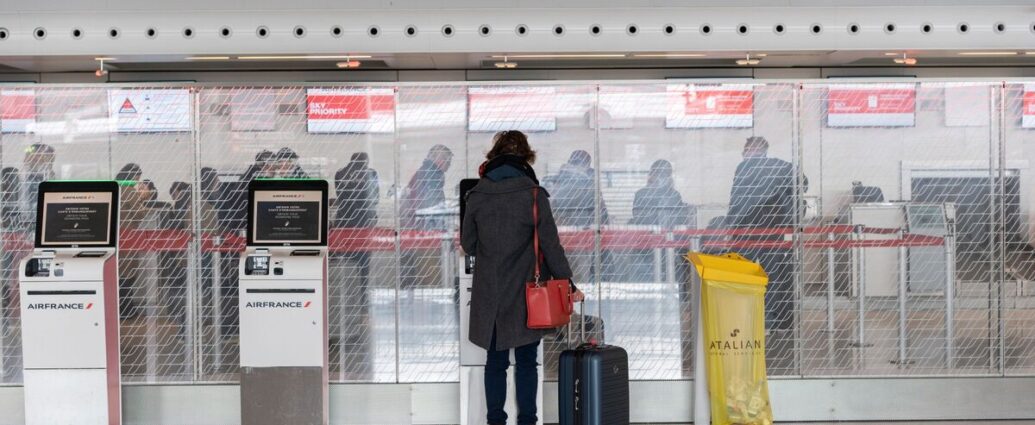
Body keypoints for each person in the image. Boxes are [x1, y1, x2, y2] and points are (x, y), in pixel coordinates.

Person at [461, 130, 583, 425]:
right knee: (527, 362)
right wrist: (568, 283)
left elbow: (469, 244)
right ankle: (527, 420)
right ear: (526, 157)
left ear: (494, 156)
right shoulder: (534, 195)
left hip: (490, 291)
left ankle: (495, 421)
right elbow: (551, 245)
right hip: (528, 291)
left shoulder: (476, 195)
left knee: (495, 361)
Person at [727, 136, 807, 335]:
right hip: (772, 229)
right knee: (771, 276)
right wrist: (783, 195)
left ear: (750, 150)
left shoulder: (743, 167)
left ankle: (742, 319)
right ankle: (768, 322)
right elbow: (803, 183)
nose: (744, 154)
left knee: (742, 275)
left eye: (746, 150)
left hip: (745, 230)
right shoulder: (779, 166)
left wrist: (730, 227)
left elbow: (736, 200)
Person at [330, 152, 380, 380]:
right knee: (363, 269)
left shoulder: (341, 173)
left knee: (344, 269)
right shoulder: (371, 174)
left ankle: (344, 307)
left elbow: (342, 196)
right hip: (363, 226)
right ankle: (361, 310)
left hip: (344, 227)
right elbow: (374, 198)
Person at [543, 150, 609, 283]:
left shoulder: (555, 181)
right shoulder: (588, 184)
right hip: (582, 238)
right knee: (579, 277)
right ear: (586, 165)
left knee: (558, 276)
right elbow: (600, 210)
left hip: (557, 237)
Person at [400, 145, 453, 291]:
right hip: (427, 234)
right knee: (431, 276)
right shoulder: (431, 174)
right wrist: (440, 229)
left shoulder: (424, 172)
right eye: (447, 160)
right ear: (437, 158)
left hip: (419, 230)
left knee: (425, 273)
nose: (449, 164)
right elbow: (430, 206)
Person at [627, 159, 690, 282]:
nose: (661, 177)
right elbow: (638, 219)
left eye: (665, 173)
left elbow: (680, 220)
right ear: (652, 174)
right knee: (647, 280)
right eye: (658, 173)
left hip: (668, 247)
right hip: (646, 248)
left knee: (669, 278)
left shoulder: (674, 195)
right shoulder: (642, 194)